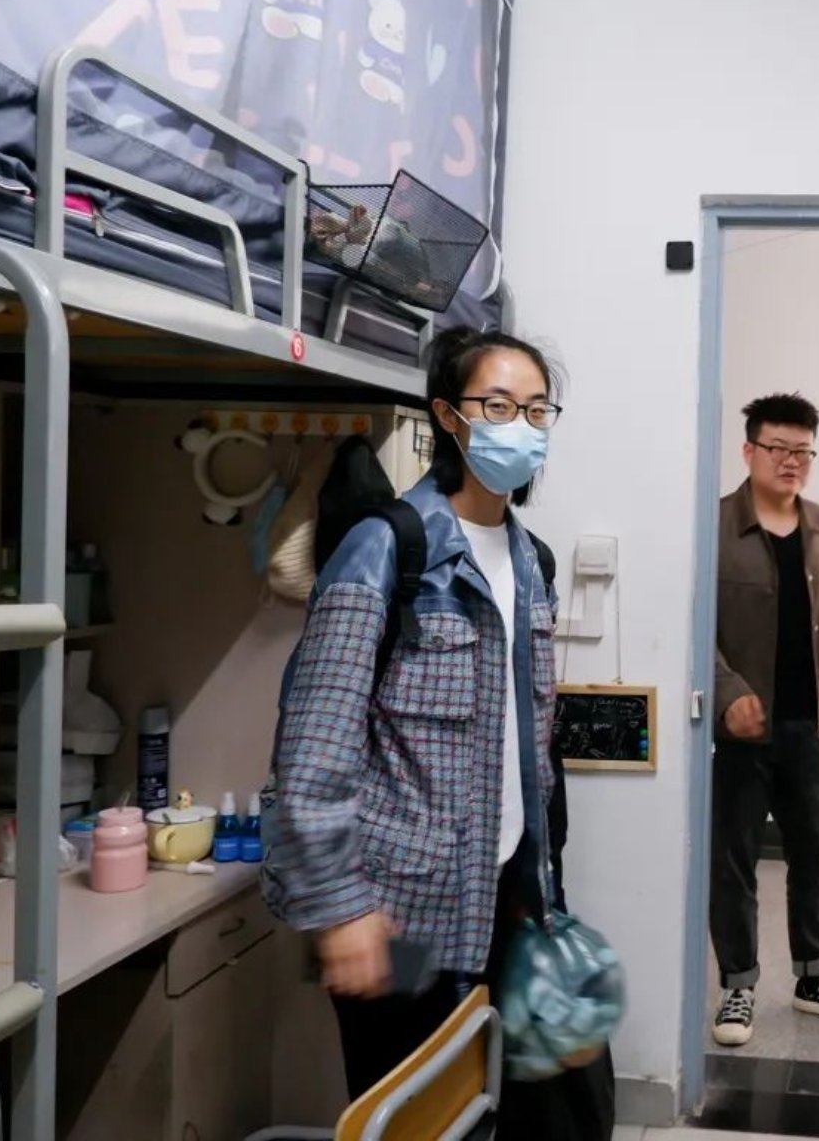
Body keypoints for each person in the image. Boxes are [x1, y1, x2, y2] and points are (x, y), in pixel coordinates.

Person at [262, 326, 613, 1140]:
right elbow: (313, 751)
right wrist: (342, 910)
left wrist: (546, 885)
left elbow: (528, 751)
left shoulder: (532, 564)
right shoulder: (386, 549)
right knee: (417, 1118)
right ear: (449, 417)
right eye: (499, 406)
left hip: (507, 897)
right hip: (400, 916)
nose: (521, 426)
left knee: (531, 1112)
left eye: (537, 410)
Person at [711, 392, 819, 1046]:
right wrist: (728, 693)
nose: (791, 462)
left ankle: (816, 976)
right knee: (734, 859)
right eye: (778, 449)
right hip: (741, 731)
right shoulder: (716, 526)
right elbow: (695, 625)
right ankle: (738, 986)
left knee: (818, 853)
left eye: (803, 452)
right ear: (749, 450)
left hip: (811, 728)